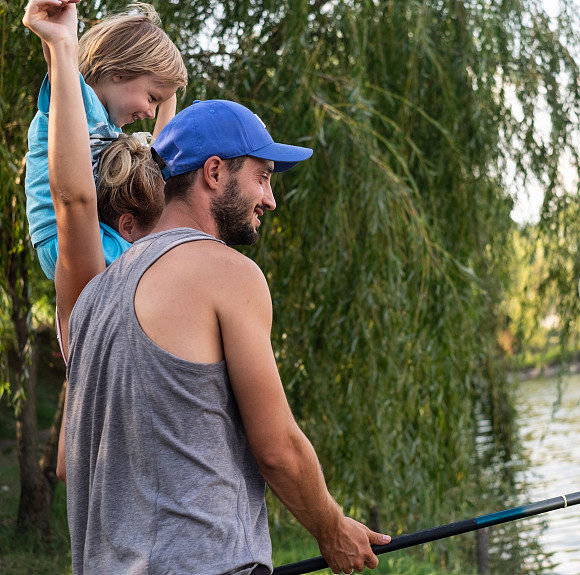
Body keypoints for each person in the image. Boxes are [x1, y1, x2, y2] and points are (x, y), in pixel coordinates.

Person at [24, 1, 390, 574]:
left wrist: (60, 48)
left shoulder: (88, 294)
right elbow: (277, 449)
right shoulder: (227, 274)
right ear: (214, 173)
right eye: (262, 178)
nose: (270, 199)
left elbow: (72, 199)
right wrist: (330, 528)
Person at [24, 0, 185, 280]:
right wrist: (56, 35)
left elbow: (157, 156)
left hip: (95, 235)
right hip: (62, 237)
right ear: (119, 70)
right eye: (151, 98)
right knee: (165, 266)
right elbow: (59, 64)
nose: (150, 111)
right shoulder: (79, 101)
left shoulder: (107, 126)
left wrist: (169, 90)